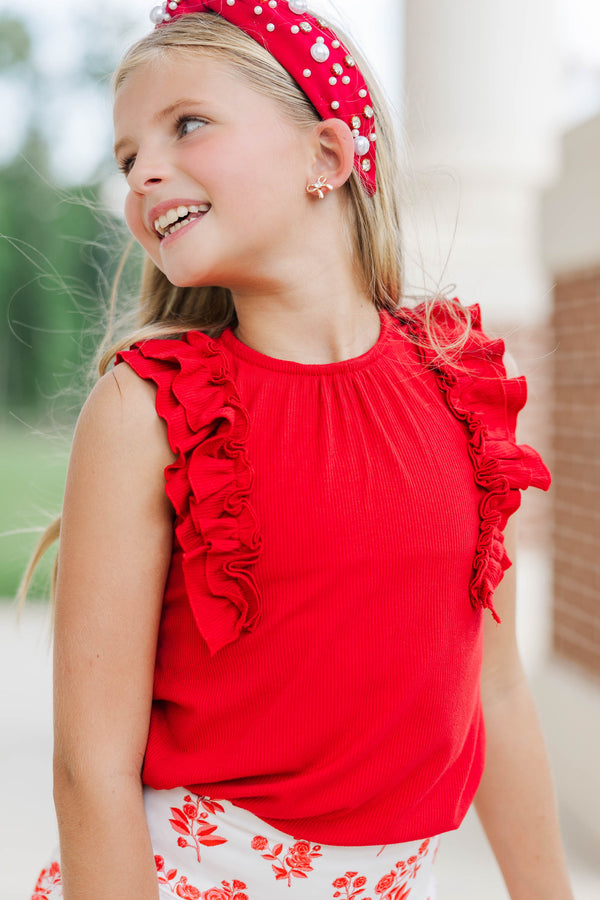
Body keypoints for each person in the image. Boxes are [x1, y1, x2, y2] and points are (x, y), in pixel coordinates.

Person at [27, 2, 574, 898]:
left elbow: (497, 695)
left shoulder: (463, 385)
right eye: (127, 159)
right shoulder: (148, 409)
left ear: (327, 155)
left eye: (187, 124)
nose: (143, 175)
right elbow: (90, 770)